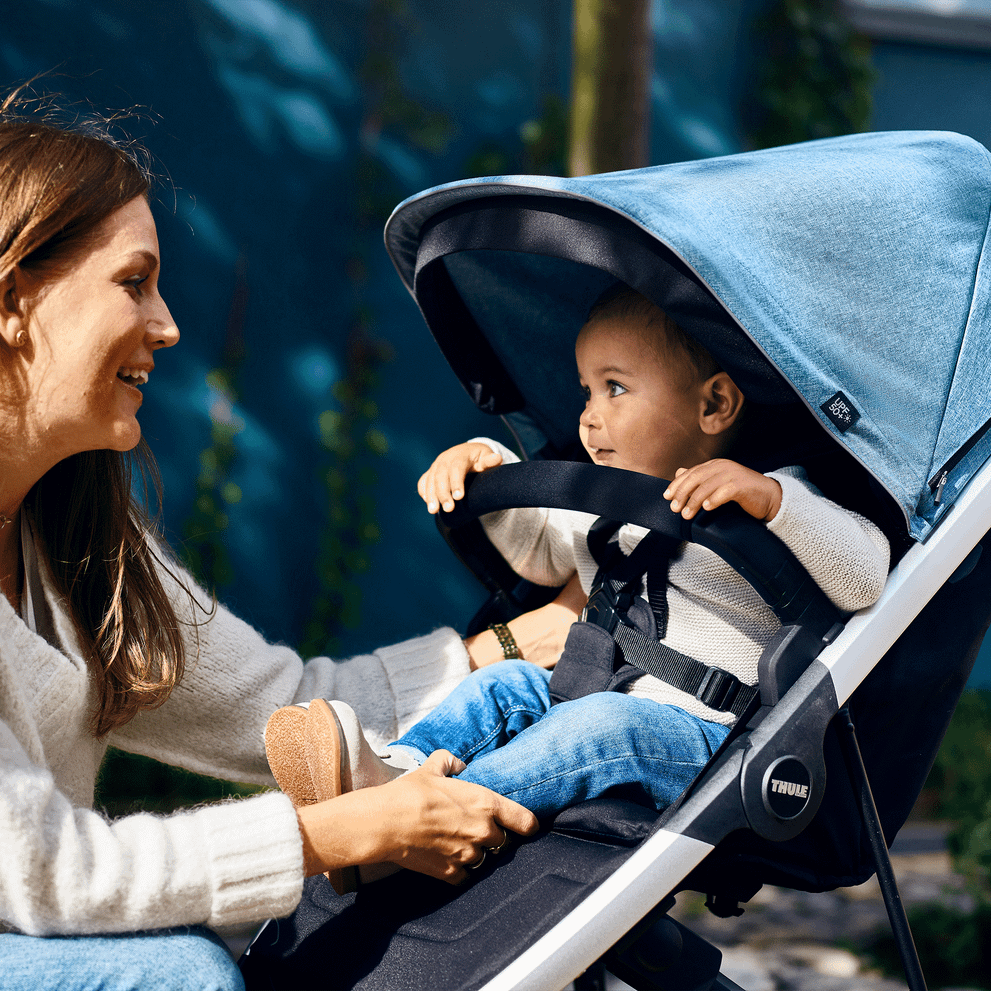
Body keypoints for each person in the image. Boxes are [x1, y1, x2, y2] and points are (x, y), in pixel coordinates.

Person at [0, 95, 566, 991]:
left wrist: (511, 646)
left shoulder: (79, 546)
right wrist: (352, 830)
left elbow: (297, 707)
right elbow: (50, 872)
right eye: (133, 281)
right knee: (176, 975)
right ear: (14, 298)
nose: (167, 325)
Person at [270, 286, 890, 832]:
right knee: (502, 684)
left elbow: (863, 577)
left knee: (599, 727)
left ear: (714, 406)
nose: (588, 416)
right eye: (586, 391)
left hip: (706, 738)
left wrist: (775, 500)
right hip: (589, 692)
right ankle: (390, 774)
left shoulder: (767, 495)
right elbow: (539, 559)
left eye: (614, 388)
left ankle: (425, 818)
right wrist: (487, 468)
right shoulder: (604, 500)